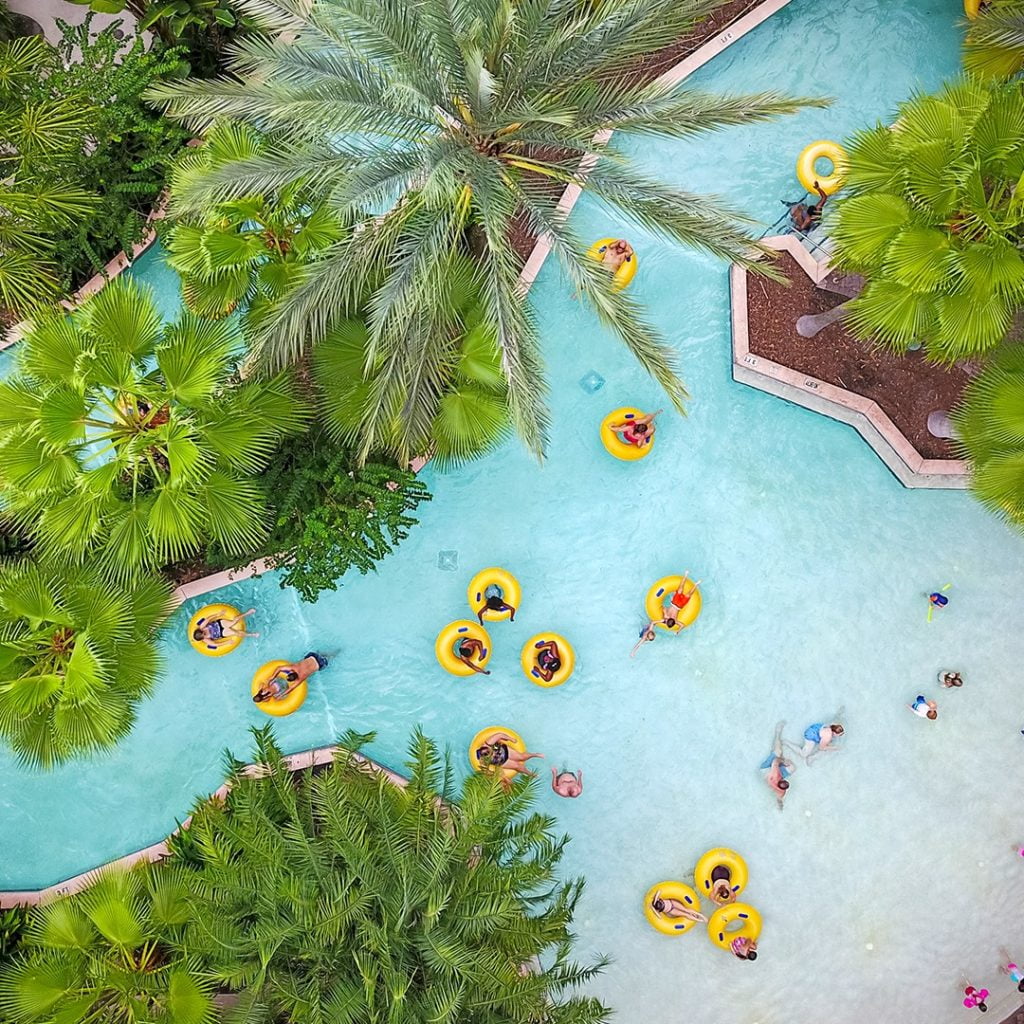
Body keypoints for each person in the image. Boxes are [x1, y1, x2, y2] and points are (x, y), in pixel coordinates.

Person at [253, 652, 328, 704]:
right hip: (313, 657)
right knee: (323, 655)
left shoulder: (301, 678)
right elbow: (279, 668)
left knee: (328, 658)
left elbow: (291, 688)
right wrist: (273, 676)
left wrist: (281, 695)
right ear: (292, 672)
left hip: (319, 664)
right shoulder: (294, 667)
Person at [475, 731, 543, 781]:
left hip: (502, 750)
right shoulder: (482, 760)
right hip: (500, 761)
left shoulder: (488, 743)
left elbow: (499, 735)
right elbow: (486, 771)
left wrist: (510, 739)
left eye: (492, 752)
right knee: (517, 766)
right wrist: (501, 776)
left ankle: (535, 754)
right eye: (492, 755)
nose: (494, 754)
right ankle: (530, 773)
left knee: (521, 757)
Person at [759, 721, 794, 810]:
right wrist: (780, 805)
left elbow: (775, 761)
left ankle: (777, 734)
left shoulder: (776, 777)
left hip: (766, 770)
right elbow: (779, 798)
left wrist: (783, 761)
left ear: (781, 780)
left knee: (778, 752)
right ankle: (777, 735)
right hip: (770, 774)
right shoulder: (781, 790)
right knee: (791, 767)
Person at [192, 607, 258, 646]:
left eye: (203, 632)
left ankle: (248, 613)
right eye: (204, 635)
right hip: (221, 633)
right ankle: (251, 634)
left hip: (219, 624)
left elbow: (208, 619)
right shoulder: (205, 639)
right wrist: (227, 642)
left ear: (200, 630)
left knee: (234, 621)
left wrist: (218, 615)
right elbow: (215, 644)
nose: (204, 633)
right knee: (236, 633)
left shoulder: (201, 627)